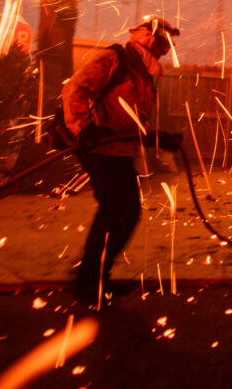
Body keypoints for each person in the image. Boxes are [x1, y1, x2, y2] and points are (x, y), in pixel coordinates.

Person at [62, 16, 182, 302]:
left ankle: (94, 277)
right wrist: (84, 127)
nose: (166, 51)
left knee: (122, 213)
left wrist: (158, 138)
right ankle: (90, 280)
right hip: (99, 148)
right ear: (150, 39)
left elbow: (128, 123)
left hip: (120, 151)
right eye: (164, 44)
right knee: (118, 211)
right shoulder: (114, 60)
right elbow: (74, 89)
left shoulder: (142, 74)